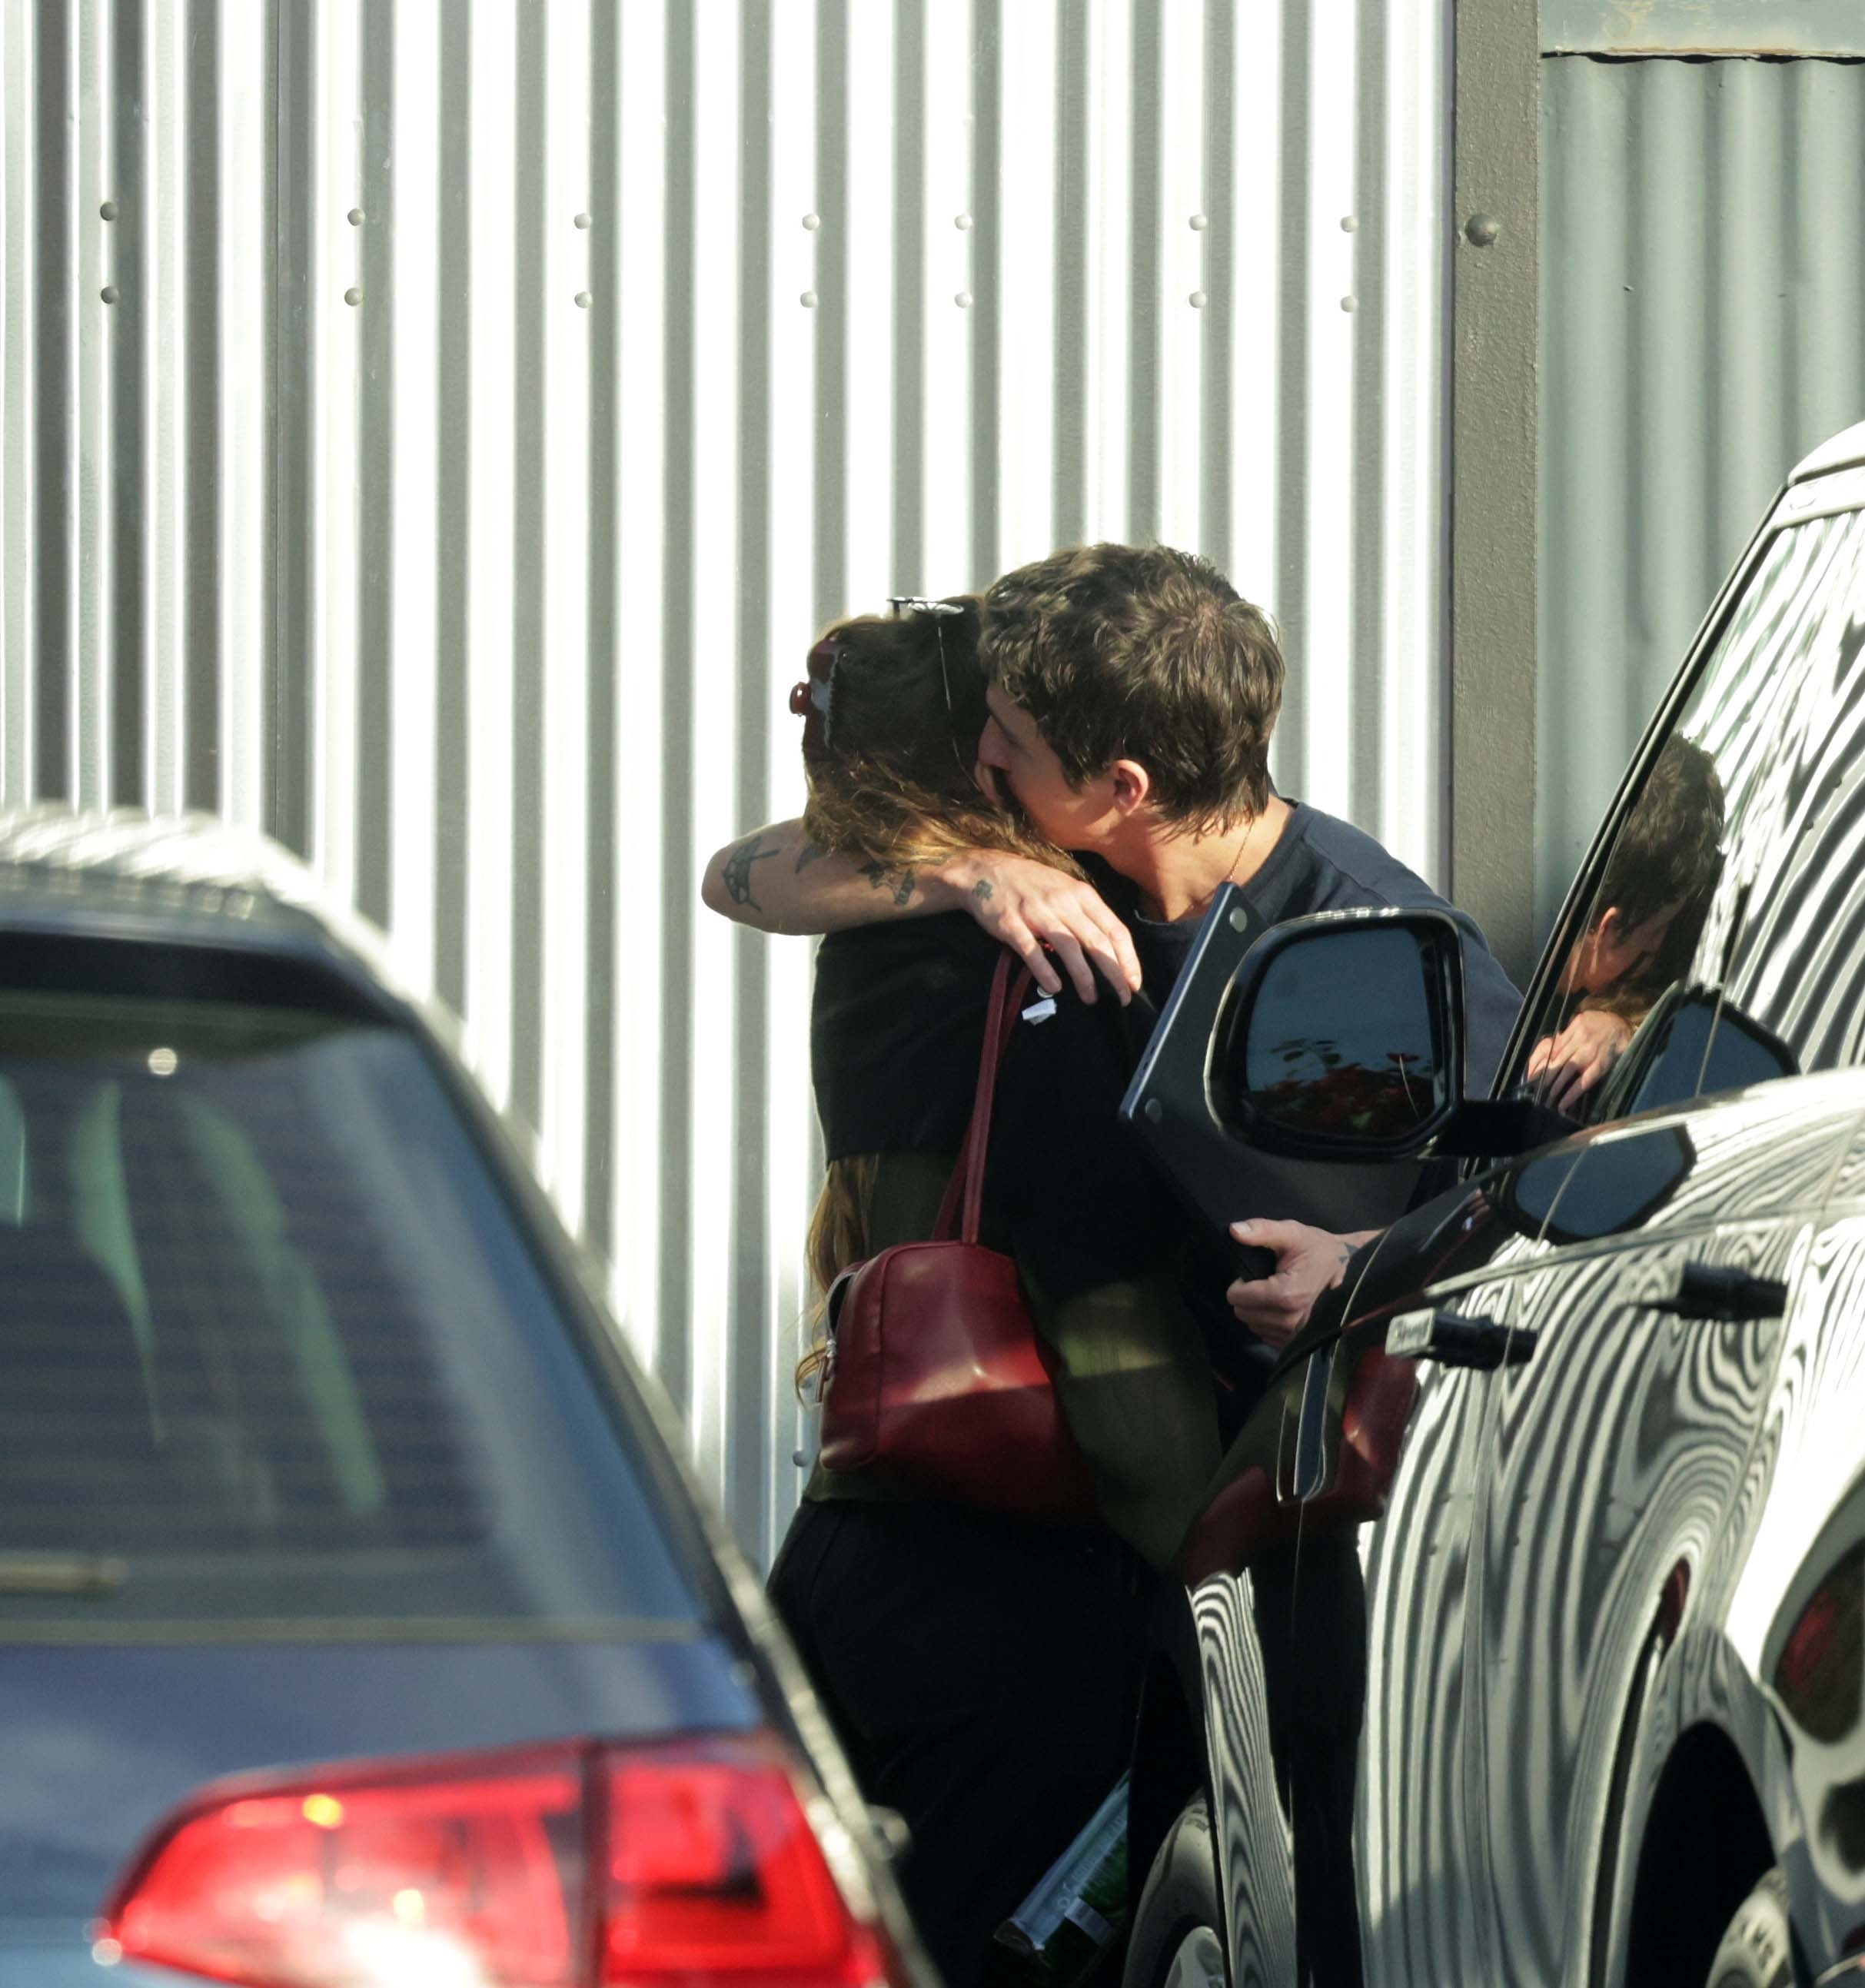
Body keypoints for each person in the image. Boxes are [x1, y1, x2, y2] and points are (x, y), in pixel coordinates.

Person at [708, 543, 1522, 1389]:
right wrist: (967, 875)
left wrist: (1356, 1268)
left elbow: (1553, 1193)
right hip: (1093, 1466)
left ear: (1122, 786)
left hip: (1303, 1471)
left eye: (1011, 737)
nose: (983, 753)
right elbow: (738, 875)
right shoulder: (1065, 852)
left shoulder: (1374, 946)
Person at [733, 597, 1225, 1988]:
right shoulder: (1046, 965)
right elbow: (1111, 1336)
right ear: (978, 763)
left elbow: (743, 869)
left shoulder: (873, 940)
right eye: (1007, 733)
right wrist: (1231, 1572)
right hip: (1011, 1602)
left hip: (843, 1561)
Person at [1226, 733, 1727, 1344]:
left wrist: (1626, 1022)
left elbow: (1492, 1213)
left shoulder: (1591, 1054)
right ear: (1613, 926)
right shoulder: (1498, 1010)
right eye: (1659, 934)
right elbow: (1480, 1203)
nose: (1655, 955)